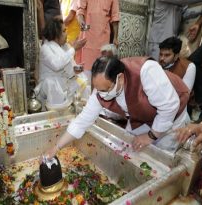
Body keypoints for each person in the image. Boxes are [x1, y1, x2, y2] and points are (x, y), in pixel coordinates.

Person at [45, 56, 190, 158]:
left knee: (162, 155)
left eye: (106, 89)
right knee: (133, 151)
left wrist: (151, 136)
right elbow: (83, 121)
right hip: (141, 117)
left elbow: (169, 106)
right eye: (98, 90)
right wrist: (56, 147)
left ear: (120, 78)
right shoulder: (101, 90)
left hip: (171, 115)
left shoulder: (146, 70)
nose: (101, 95)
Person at [35, 18, 87, 110]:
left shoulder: (64, 47)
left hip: (63, 85)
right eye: (63, 31)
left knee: (84, 82)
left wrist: (80, 69)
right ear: (56, 34)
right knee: (51, 83)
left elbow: (70, 71)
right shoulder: (45, 48)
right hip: (48, 87)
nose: (66, 34)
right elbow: (57, 65)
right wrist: (73, 49)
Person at [76, 0, 120, 70]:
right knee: (84, 68)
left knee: (100, 68)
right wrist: (81, 22)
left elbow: (115, 16)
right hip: (87, 35)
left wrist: (115, 38)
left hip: (103, 37)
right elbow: (80, 10)